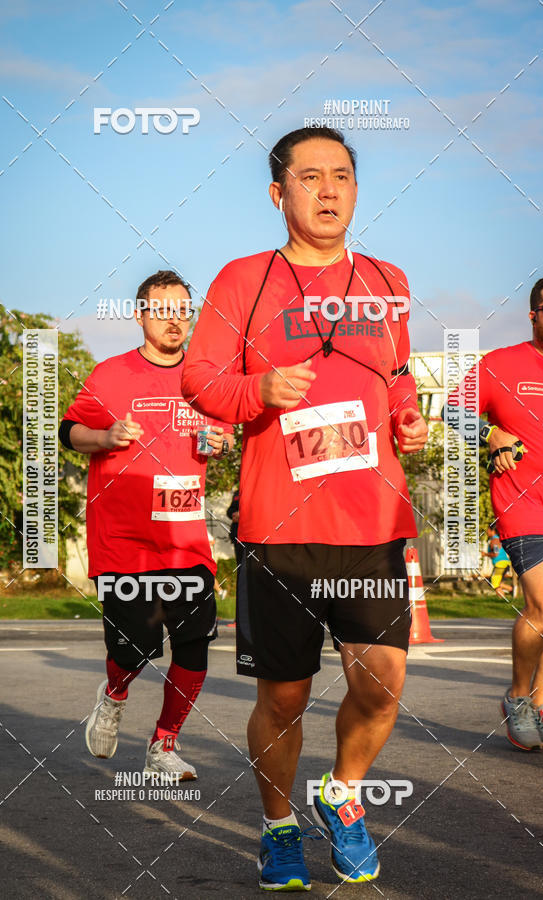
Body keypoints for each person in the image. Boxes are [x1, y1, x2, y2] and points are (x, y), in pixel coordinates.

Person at [182, 127, 428, 889]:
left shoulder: (387, 279)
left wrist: (409, 417)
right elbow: (200, 381)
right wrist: (258, 390)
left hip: (375, 523)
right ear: (277, 191)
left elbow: (397, 377)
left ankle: (343, 797)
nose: (328, 190)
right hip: (279, 528)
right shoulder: (242, 280)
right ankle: (279, 826)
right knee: (283, 697)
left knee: (381, 683)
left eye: (343, 176)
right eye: (311, 176)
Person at [59, 270, 233, 779]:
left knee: (196, 643)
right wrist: (106, 436)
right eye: (162, 310)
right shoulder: (110, 374)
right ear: (140, 316)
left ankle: (163, 745)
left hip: (184, 539)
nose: (174, 319)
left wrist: (218, 443)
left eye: (183, 309)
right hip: (125, 540)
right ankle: (113, 696)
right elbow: (70, 431)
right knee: (133, 647)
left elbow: (215, 438)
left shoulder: (206, 379)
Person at [446, 274, 543, 751]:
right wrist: (492, 437)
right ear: (534, 314)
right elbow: (453, 412)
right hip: (524, 503)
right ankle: (516, 696)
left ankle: (542, 703)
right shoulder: (502, 364)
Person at [481, 525, 512, 598]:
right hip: (502, 563)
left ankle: (503, 599)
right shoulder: (495, 539)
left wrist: (485, 554)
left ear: (492, 531)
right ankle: (513, 590)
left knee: (494, 583)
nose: (486, 532)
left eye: (488, 530)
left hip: (501, 564)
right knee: (496, 582)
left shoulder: (494, 541)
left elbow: (496, 553)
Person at [226, 487, 243, 570]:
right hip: (237, 536)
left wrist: (243, 515)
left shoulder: (258, 489)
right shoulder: (238, 492)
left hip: (253, 537)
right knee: (240, 566)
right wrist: (233, 514)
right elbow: (230, 510)